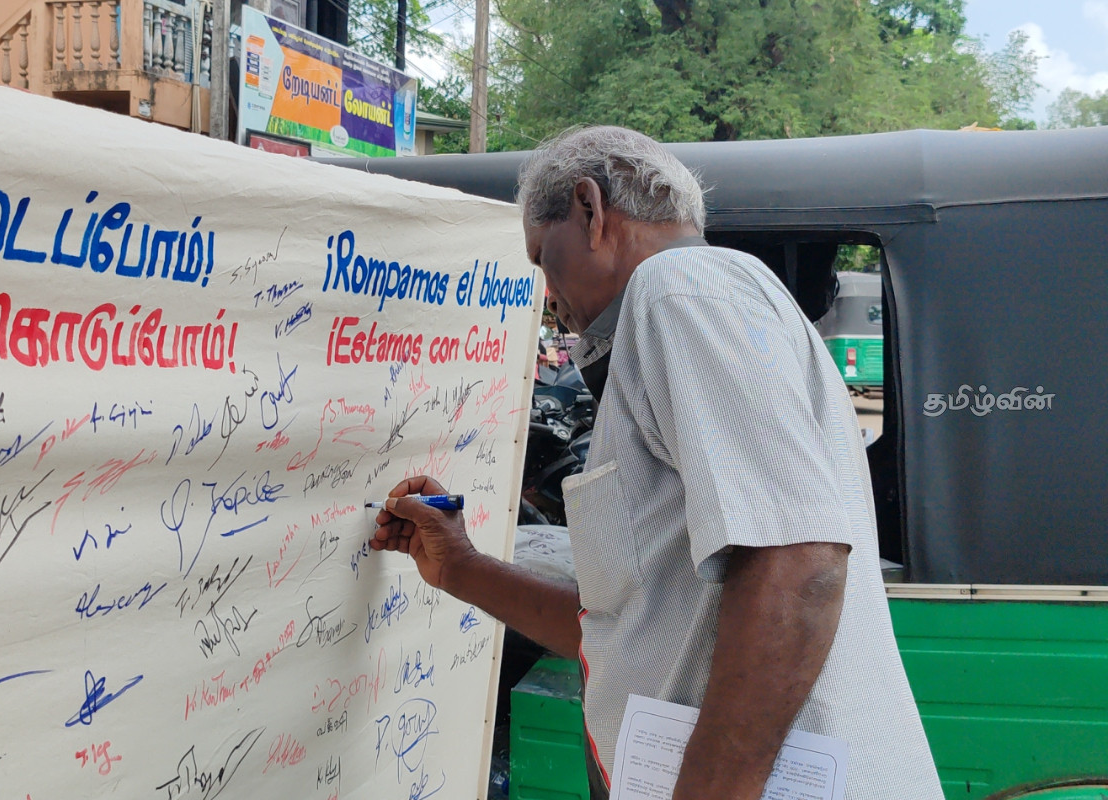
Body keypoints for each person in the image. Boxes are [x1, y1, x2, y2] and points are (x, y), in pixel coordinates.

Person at [370, 126, 943, 800]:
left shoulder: (681, 287)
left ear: (590, 209)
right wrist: (462, 568)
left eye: (543, 257)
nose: (548, 292)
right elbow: (623, 630)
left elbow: (798, 561)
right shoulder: (690, 308)